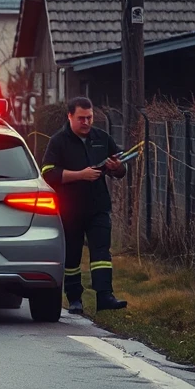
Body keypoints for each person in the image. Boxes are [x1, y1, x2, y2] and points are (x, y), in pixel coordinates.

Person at [41, 96, 127, 314]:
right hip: (70, 207)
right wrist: (80, 175)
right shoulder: (58, 141)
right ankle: (74, 299)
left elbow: (120, 172)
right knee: (72, 255)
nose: (87, 122)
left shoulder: (102, 138)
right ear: (70, 116)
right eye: (81, 118)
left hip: (98, 205)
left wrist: (116, 167)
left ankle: (105, 296)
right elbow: (48, 173)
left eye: (89, 118)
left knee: (101, 252)